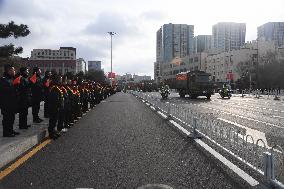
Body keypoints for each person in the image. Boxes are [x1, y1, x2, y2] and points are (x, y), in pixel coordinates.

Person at [0, 64, 19, 137]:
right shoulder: (3, 79)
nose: (14, 71)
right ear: (8, 71)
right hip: (6, 103)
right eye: (13, 70)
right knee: (6, 118)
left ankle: (11, 130)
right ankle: (6, 132)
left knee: (12, 117)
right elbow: (4, 90)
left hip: (12, 102)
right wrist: (13, 87)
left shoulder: (12, 79)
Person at [48, 74, 64, 139]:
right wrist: (58, 105)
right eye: (59, 79)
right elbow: (55, 99)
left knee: (55, 120)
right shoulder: (54, 88)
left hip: (56, 106)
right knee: (52, 120)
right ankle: (51, 134)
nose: (60, 80)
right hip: (53, 107)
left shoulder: (56, 87)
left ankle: (53, 131)